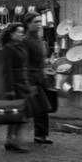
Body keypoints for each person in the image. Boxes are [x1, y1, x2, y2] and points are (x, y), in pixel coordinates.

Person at [22, 12, 53, 144]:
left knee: (43, 107)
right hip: (33, 78)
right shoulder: (26, 40)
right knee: (40, 107)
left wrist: (45, 73)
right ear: (28, 24)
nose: (39, 24)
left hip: (40, 76)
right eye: (35, 22)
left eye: (40, 21)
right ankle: (39, 134)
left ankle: (42, 134)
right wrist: (30, 82)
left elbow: (41, 59)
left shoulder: (39, 38)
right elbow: (26, 62)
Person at [1, 23, 31, 152]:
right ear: (11, 34)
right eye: (19, 32)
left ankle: (11, 140)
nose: (21, 34)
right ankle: (14, 140)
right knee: (18, 113)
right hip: (16, 83)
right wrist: (10, 89)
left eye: (22, 32)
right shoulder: (9, 48)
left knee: (18, 113)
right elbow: (7, 69)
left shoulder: (20, 46)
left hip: (23, 82)